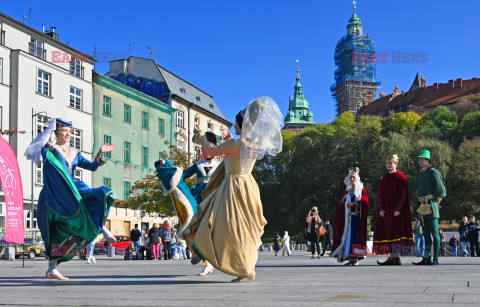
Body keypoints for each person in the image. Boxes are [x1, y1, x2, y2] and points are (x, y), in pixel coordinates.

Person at [183, 97, 283, 282]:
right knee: (243, 228)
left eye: (235, 124)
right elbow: (235, 154)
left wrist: (201, 135)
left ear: (240, 125)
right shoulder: (253, 144)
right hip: (249, 186)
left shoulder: (234, 144)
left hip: (233, 186)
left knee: (226, 226)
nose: (233, 127)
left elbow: (210, 152)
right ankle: (245, 267)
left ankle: (240, 267)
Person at [25, 117, 116, 280]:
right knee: (53, 232)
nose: (68, 134)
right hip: (56, 191)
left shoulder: (74, 153)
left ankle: (100, 228)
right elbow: (45, 157)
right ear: (58, 131)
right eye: (65, 130)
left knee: (97, 195)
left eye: (70, 131)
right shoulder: (50, 149)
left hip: (73, 188)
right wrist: (48, 145)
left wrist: (100, 153)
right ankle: (52, 268)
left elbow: (92, 166)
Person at [375, 155, 413, 265]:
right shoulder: (384, 178)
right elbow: (379, 195)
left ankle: (397, 257)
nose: (388, 165)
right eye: (387, 163)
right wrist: (381, 209)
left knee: (397, 233)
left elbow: (404, 194)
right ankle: (391, 256)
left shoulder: (401, 177)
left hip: (397, 212)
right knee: (388, 233)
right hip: (386, 211)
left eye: (391, 163)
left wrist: (398, 209)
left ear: (396, 164)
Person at [413, 150, 447, 266]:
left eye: (422, 159)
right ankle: (427, 257)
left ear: (428, 160)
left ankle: (435, 258)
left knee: (435, 233)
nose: (420, 161)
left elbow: (441, 190)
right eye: (419, 159)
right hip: (422, 206)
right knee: (425, 234)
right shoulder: (419, 175)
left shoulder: (433, 172)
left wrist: (436, 203)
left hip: (431, 204)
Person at [332, 167, 369, 266]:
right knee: (347, 238)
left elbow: (366, 202)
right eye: (350, 178)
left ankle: (356, 257)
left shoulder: (361, 190)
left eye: (354, 177)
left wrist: (356, 203)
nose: (352, 180)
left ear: (358, 178)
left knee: (356, 237)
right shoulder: (346, 192)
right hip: (348, 219)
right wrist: (346, 203)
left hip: (357, 219)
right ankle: (349, 256)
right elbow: (339, 204)